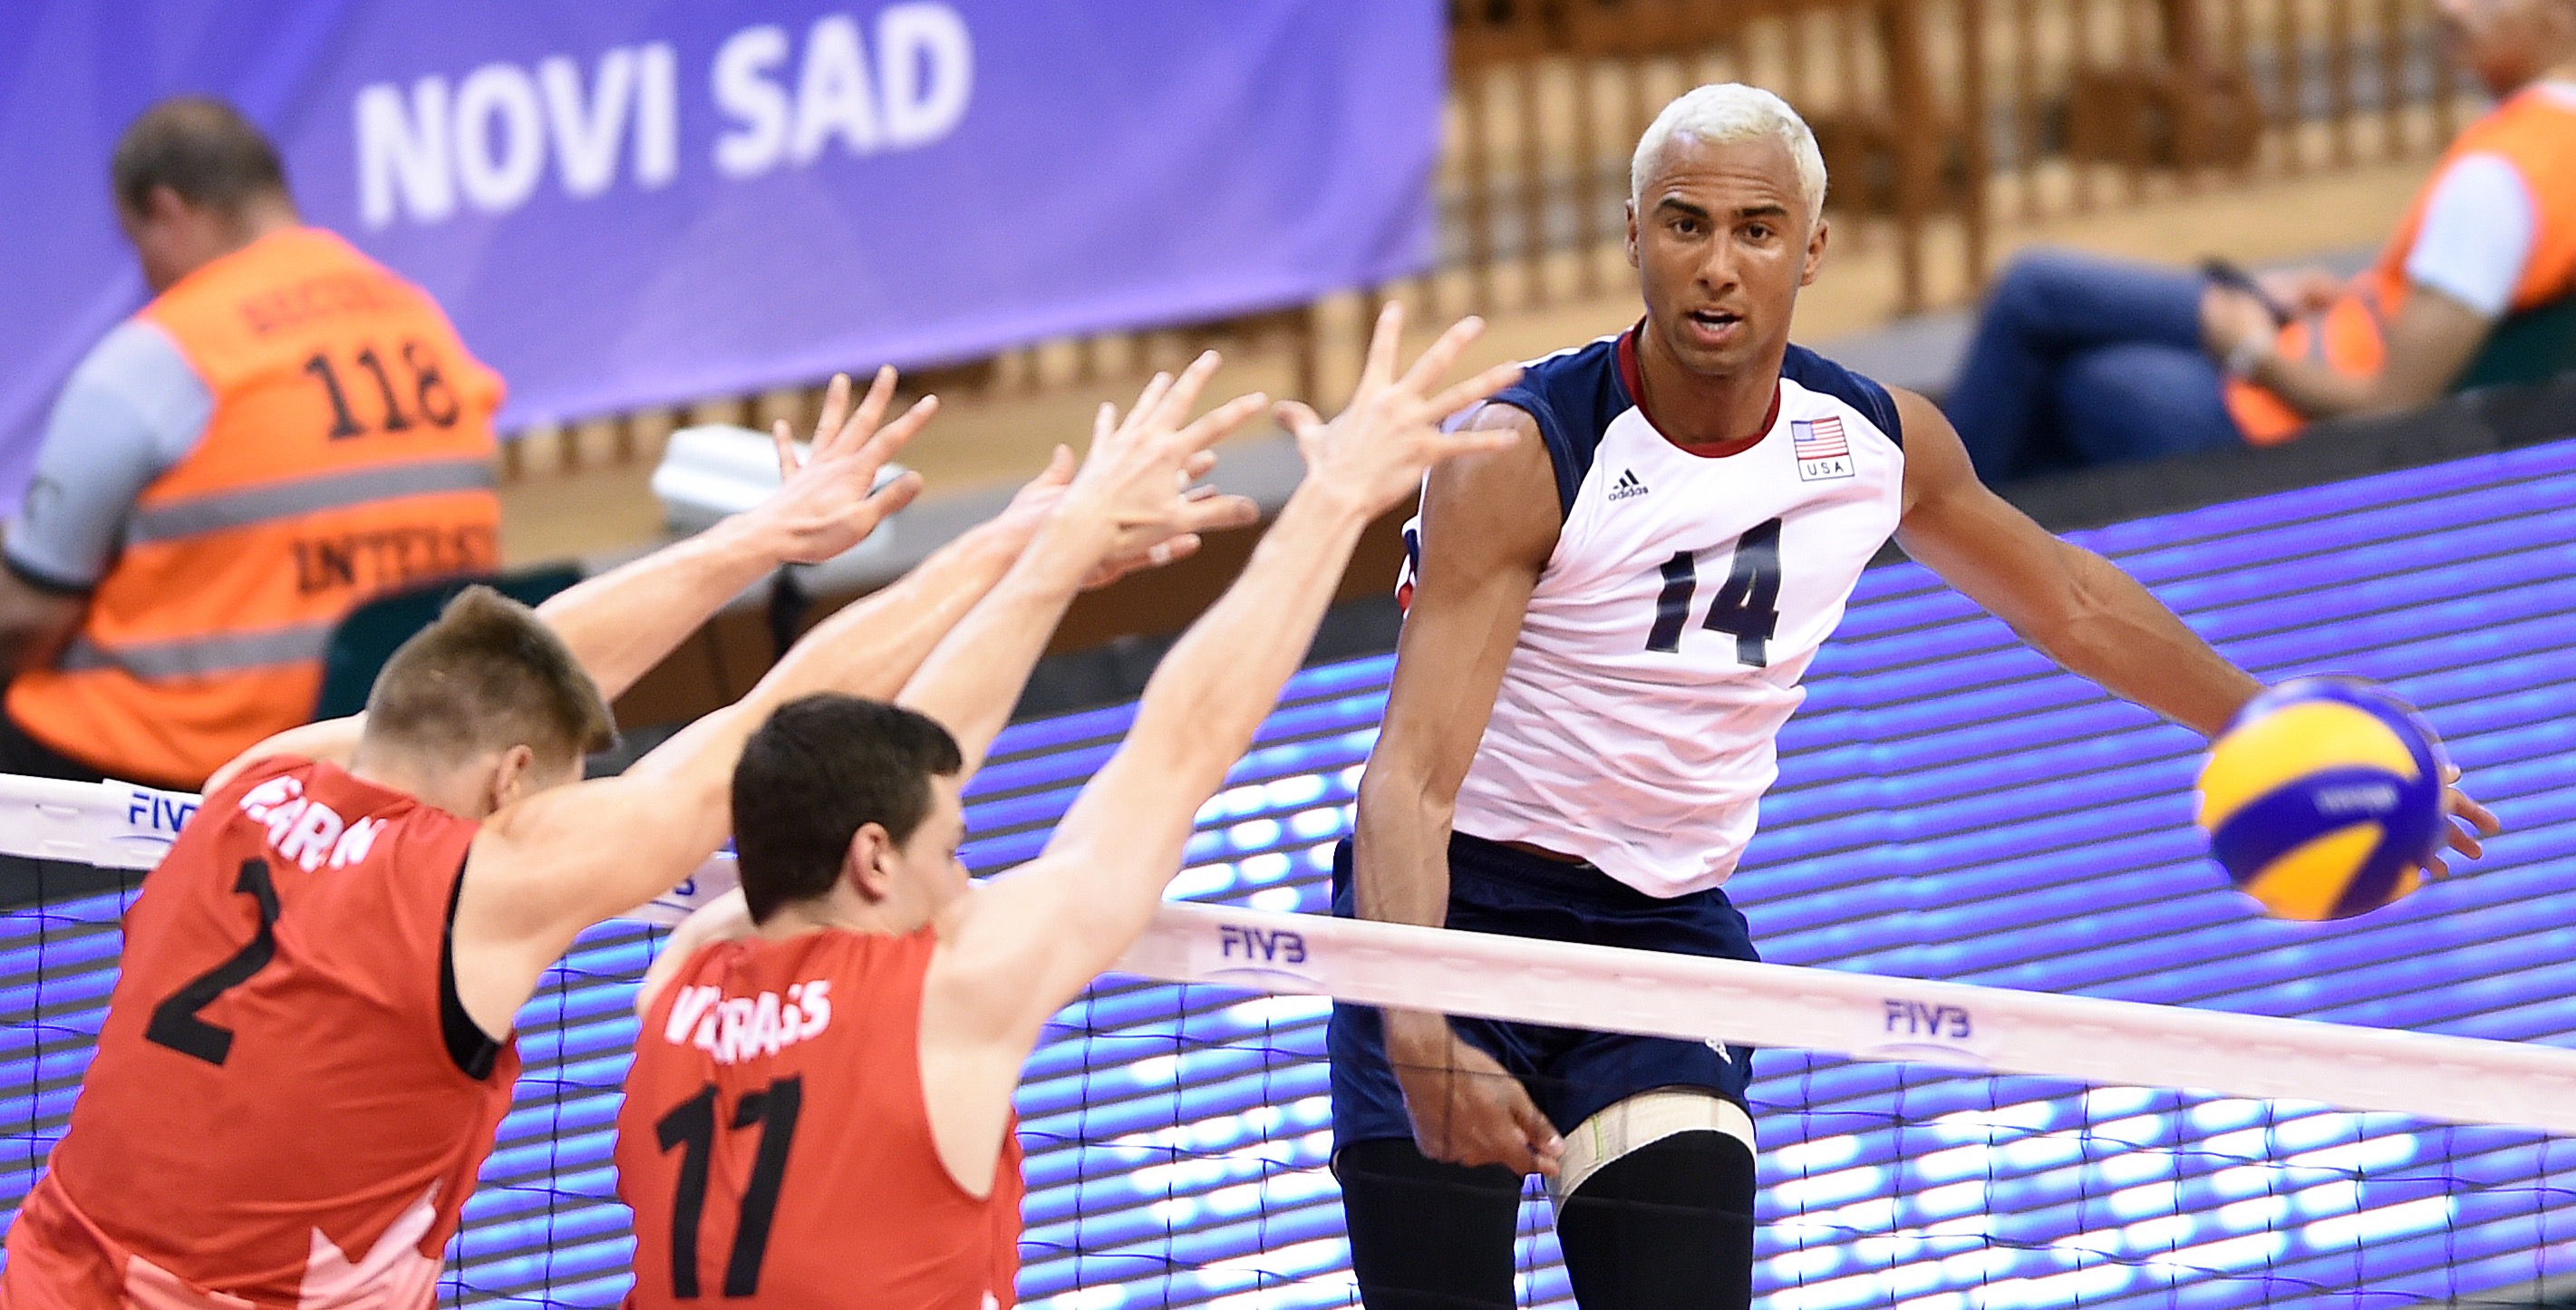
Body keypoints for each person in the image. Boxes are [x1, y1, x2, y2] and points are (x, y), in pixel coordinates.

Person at [1333, 83, 2503, 1310]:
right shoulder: (1522, 456)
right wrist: (1416, 1028)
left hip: (1661, 939)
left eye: (1755, 229)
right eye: (1683, 225)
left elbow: (2065, 601)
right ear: (1632, 237)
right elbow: (1405, 781)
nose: (1718, 267)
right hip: (1451, 916)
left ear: (1811, 249)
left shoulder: (1875, 441)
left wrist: (2268, 724)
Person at [0, 362, 1262, 1308]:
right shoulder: (485, 884)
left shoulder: (251, 782)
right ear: (507, 784)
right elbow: (769, 734)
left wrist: (756, 540)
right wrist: (1014, 544)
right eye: (552, 781)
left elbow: (501, 676)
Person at [613, 306, 1518, 1307]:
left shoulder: (682, 974)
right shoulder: (949, 992)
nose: (962, 880)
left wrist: (1053, 560)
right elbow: (1179, 744)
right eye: (951, 848)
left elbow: (863, 781)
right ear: (871, 861)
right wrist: (1335, 500)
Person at [0, 97, 518, 791]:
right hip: (404, 745)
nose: (145, 272)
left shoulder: (164, 351)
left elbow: (26, 616)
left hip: (194, 767)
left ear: (169, 212)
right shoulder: (419, 318)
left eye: (138, 243)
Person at [1941, 0, 2576, 483]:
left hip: (2284, 428)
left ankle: (1905, 560)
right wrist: (2347, 302)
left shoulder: (2496, 182)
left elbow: (2388, 415)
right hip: (2346, 346)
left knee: (2052, 346)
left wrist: (2248, 351)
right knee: (2040, 303)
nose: (2446, 10)